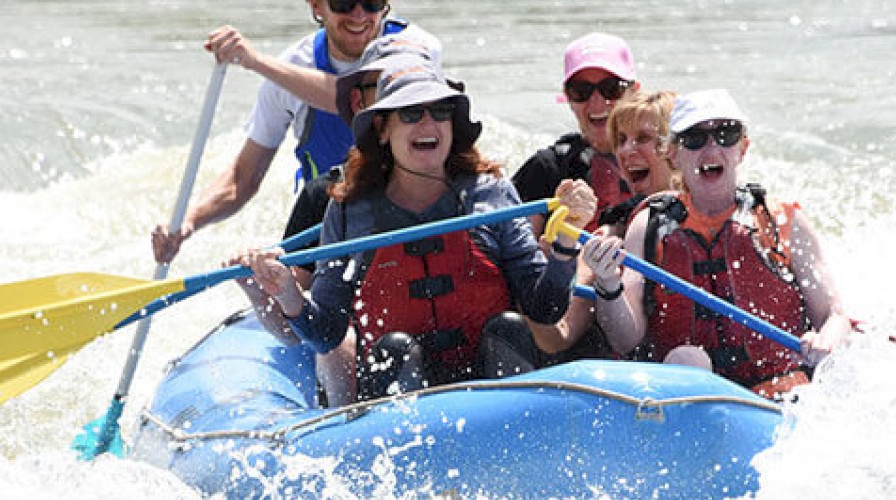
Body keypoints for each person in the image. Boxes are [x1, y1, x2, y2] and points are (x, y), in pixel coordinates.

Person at [232, 57, 597, 401]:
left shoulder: (492, 194)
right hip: (402, 400)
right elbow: (327, 332)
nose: (429, 123)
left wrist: (565, 241)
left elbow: (545, 308)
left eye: (441, 112)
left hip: (489, 388)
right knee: (395, 348)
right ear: (383, 129)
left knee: (508, 327)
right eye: (410, 113)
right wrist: (287, 294)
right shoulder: (349, 211)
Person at [587, 89, 852, 400]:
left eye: (726, 134)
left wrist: (826, 340)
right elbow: (625, 340)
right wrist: (606, 282)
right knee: (687, 359)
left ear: (742, 148)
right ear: (672, 154)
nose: (711, 148)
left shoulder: (783, 223)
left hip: (781, 395)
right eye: (695, 138)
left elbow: (834, 316)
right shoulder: (649, 227)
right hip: (695, 397)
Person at [151, 0, 435, 265]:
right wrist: (188, 221)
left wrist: (258, 62)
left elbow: (355, 98)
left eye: (372, 2)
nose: (360, 15)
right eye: (344, 2)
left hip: (411, 221)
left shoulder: (414, 48)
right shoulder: (293, 67)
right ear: (316, 5)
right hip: (326, 226)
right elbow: (244, 178)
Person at [510, 33, 644, 363]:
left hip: (639, 299)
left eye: (610, 89)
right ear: (568, 99)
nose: (597, 104)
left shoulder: (669, 161)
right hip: (570, 312)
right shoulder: (547, 169)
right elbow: (516, 256)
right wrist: (556, 236)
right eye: (582, 92)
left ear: (633, 90)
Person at [533, 90, 678, 361]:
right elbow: (557, 337)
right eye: (621, 140)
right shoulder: (607, 237)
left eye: (643, 139)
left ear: (676, 149)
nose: (624, 151)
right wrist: (539, 277)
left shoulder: (735, 217)